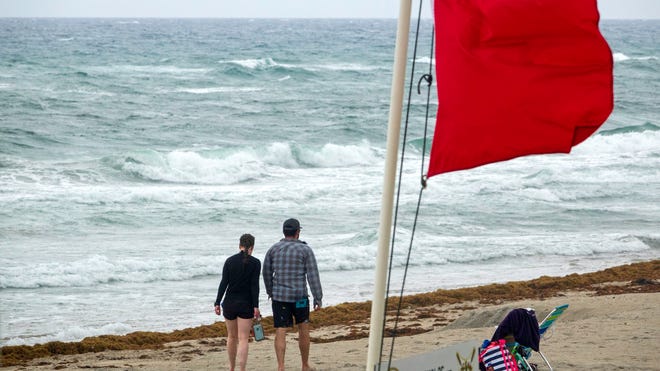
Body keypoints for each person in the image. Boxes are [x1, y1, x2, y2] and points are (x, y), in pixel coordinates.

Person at [263, 218, 323, 371]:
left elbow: (266, 273)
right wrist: (318, 297)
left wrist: (271, 291)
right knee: (303, 328)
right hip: (300, 297)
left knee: (280, 330)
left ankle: (281, 367)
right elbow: (313, 275)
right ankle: (304, 365)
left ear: (284, 232)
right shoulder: (305, 250)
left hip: (280, 297)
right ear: (297, 232)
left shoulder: (274, 249)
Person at [214, 233, 261, 371]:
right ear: (252, 247)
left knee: (231, 337)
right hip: (246, 304)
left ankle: (231, 368)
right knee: (243, 338)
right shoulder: (256, 263)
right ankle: (242, 369)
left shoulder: (229, 261)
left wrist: (217, 302)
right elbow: (254, 286)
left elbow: (224, 283)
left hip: (229, 303)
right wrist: (256, 306)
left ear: (239, 245)